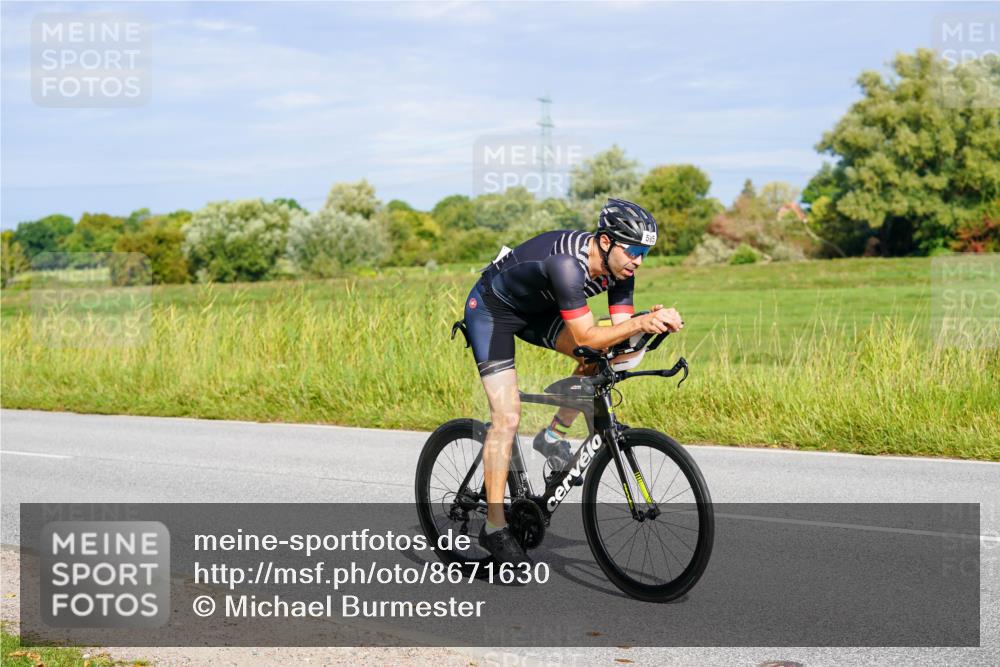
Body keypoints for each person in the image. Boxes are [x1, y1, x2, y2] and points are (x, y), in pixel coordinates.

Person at [461, 198, 685, 565]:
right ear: (607, 242)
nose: (639, 260)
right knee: (507, 416)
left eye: (646, 252)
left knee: (599, 358)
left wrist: (648, 325)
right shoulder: (567, 264)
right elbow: (585, 336)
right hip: (492, 311)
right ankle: (493, 525)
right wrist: (639, 323)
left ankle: (551, 438)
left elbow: (616, 341)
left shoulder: (622, 272)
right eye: (634, 251)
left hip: (538, 311)